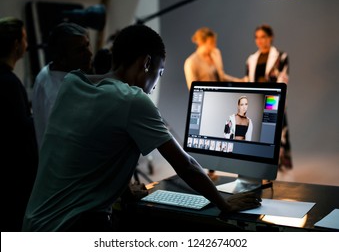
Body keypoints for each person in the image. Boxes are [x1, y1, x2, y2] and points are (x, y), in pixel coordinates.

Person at [22, 24, 261, 232]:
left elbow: (92, 149)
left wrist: (124, 190)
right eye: (160, 72)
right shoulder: (132, 99)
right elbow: (184, 164)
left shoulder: (71, 84)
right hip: (73, 228)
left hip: (34, 224)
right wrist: (224, 203)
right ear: (146, 63)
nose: (156, 84)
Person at [184, 27, 242, 178]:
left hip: (222, 100)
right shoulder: (191, 62)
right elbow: (193, 88)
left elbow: (221, 76)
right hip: (206, 105)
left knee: (227, 132)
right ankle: (208, 172)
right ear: (201, 42)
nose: (214, 45)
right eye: (211, 42)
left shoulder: (216, 53)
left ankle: (225, 168)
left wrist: (240, 82)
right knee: (208, 139)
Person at [0, 17, 39, 231]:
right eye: (24, 38)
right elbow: (20, 131)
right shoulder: (10, 84)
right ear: (16, 44)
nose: (27, 44)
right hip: (13, 180)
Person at [31, 22, 93, 150]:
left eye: (88, 46)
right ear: (61, 58)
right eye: (80, 50)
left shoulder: (50, 71)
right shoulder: (58, 96)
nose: (90, 54)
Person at [243, 24, 292, 169]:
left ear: (270, 37)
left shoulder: (281, 57)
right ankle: (259, 170)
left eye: (263, 37)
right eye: (257, 37)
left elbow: (283, 80)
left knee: (277, 137)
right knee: (256, 136)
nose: (260, 40)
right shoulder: (250, 59)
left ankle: (280, 172)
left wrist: (275, 103)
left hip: (273, 102)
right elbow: (247, 81)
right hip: (256, 102)